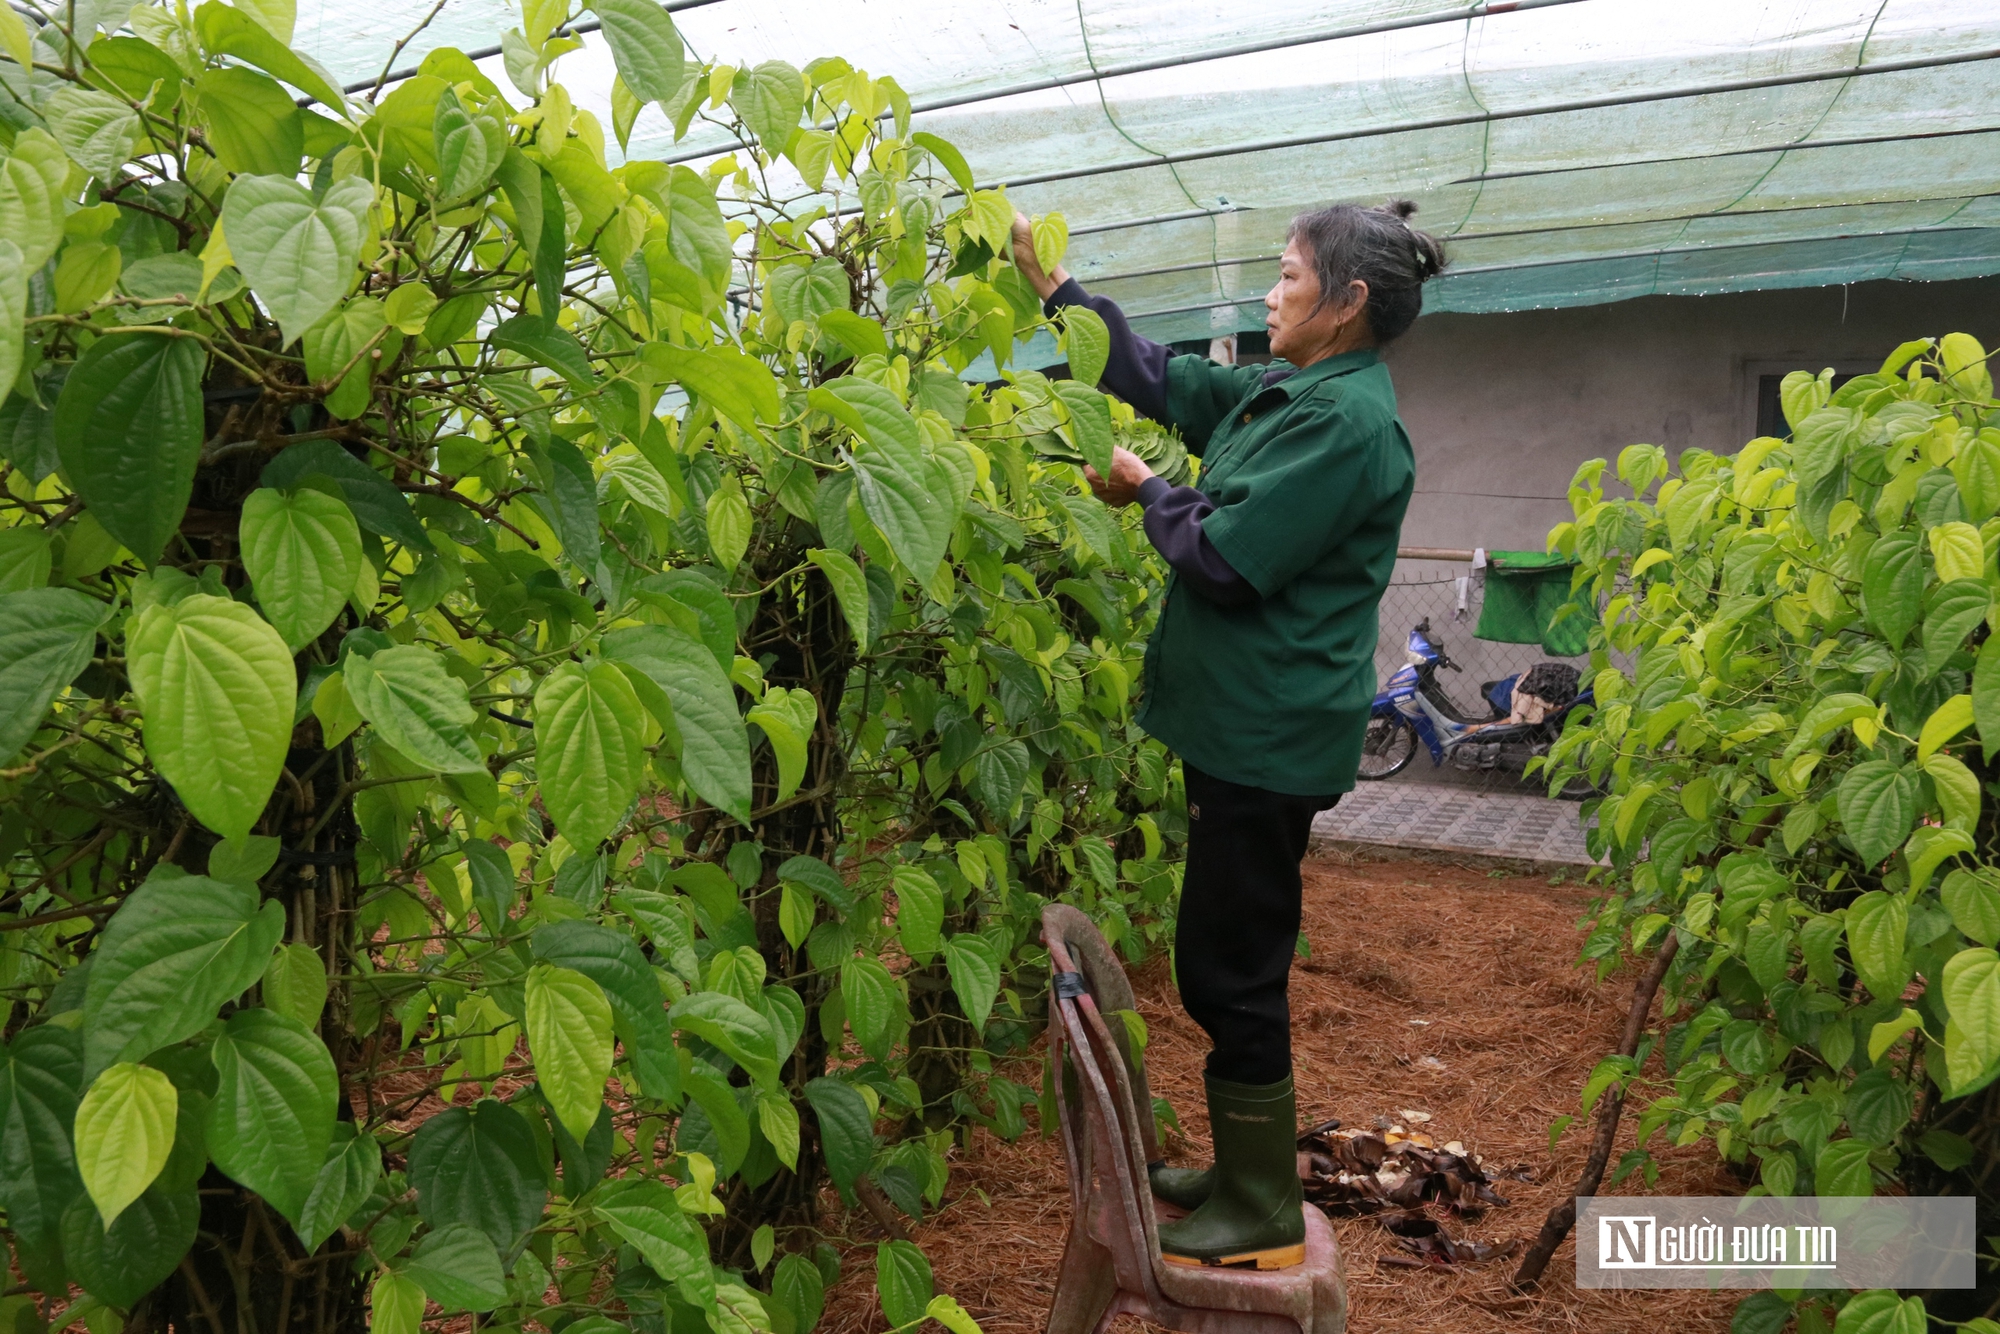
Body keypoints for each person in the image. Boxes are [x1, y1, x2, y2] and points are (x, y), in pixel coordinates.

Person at [1010, 202, 1446, 1269]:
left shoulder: (1347, 425)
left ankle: (1258, 1203)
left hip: (1268, 736)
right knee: (1227, 958)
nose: (1270, 291)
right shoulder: (1294, 392)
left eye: (1289, 275)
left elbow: (1226, 558)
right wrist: (1057, 293)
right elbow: (1169, 382)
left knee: (1229, 969)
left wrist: (1146, 489)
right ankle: (1243, 1171)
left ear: (1347, 300)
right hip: (1249, 730)